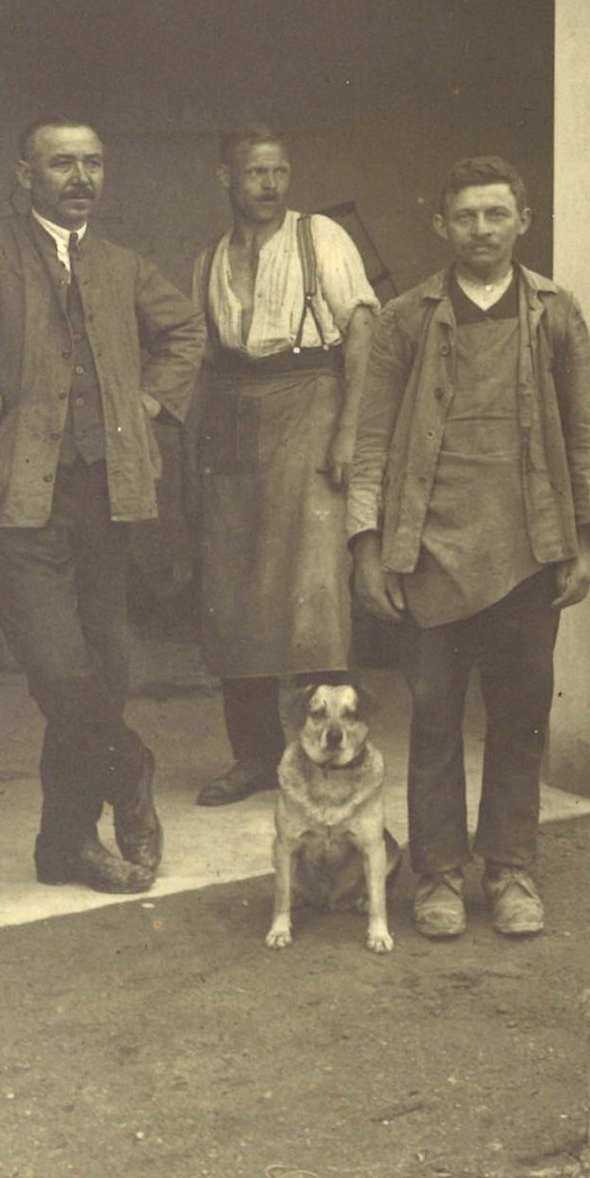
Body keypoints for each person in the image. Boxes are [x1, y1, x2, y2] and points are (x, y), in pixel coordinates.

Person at [0, 120, 204, 893]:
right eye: (63, 162)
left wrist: (146, 403)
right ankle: (131, 767)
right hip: (15, 498)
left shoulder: (121, 265)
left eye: (93, 163)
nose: (81, 177)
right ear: (24, 175)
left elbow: (185, 330)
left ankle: (64, 844)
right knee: (62, 671)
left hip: (106, 495)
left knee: (104, 669)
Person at [348, 158, 590, 940]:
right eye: (466, 216)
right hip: (429, 549)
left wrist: (585, 536)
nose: (482, 230)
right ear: (442, 225)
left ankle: (510, 869)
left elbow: (585, 432)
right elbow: (370, 440)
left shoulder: (555, 312)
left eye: (497, 214)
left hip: (529, 547)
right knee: (433, 716)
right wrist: (368, 544)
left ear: (523, 220)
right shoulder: (406, 318)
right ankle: (437, 875)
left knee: (519, 717)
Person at [186, 129, 379, 804]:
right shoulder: (209, 259)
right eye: (254, 172)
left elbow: (362, 334)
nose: (269, 184)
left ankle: (333, 755)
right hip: (234, 413)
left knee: (315, 589)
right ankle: (254, 756)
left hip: (313, 405)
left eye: (279, 171)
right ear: (226, 177)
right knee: (233, 588)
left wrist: (348, 431)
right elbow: (200, 358)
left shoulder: (320, 237)